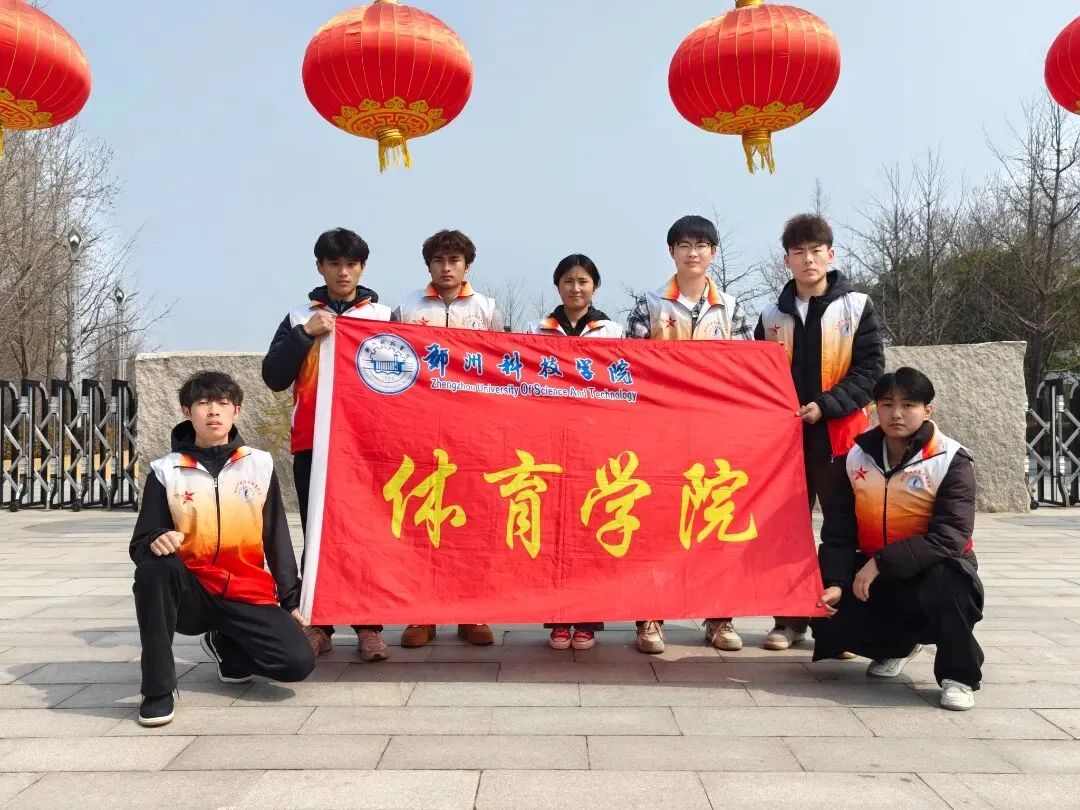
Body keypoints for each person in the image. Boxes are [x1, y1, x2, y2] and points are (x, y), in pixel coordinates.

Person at [130, 371, 315, 727]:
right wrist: (157, 539)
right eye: (203, 403)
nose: (213, 411)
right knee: (154, 569)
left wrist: (291, 598)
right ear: (187, 411)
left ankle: (227, 644)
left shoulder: (259, 465)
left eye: (222, 403)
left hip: (244, 590)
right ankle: (157, 690)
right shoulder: (166, 471)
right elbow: (141, 543)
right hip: (191, 594)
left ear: (236, 411)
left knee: (297, 663)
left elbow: (276, 535)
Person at [811, 367, 984, 711]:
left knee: (949, 580)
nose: (897, 414)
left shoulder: (950, 459)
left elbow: (950, 536)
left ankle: (959, 677)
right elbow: (839, 530)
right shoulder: (854, 459)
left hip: (938, 568)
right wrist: (836, 582)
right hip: (878, 567)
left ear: (927, 410)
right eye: (888, 404)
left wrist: (880, 562)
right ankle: (897, 647)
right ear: (876, 407)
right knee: (827, 598)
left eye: (908, 405)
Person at [261, 227, 392, 661]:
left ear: (363, 268)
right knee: (316, 532)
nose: (343, 272)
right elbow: (273, 377)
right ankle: (318, 623)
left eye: (351, 264)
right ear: (320, 267)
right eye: (334, 263)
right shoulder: (299, 317)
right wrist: (305, 336)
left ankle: (369, 625)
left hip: (367, 446)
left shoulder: (384, 316)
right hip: (313, 442)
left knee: (365, 533)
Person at [755, 213, 884, 651]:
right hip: (785, 443)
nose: (808, 260)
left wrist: (825, 406)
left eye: (816, 251)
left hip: (841, 440)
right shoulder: (771, 315)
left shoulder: (857, 306)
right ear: (786, 260)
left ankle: (840, 626)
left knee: (842, 531)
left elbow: (870, 371)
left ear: (831, 255)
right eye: (798, 252)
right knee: (786, 532)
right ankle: (788, 620)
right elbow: (758, 375)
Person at [625, 214, 752, 655]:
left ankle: (719, 616)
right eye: (684, 245)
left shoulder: (732, 308)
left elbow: (745, 373)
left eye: (701, 245)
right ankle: (650, 617)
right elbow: (631, 368)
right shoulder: (648, 305)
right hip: (660, 433)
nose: (692, 252)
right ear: (671, 252)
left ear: (713, 252)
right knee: (656, 524)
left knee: (715, 523)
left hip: (716, 435)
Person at [392, 229, 501, 648]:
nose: (446, 267)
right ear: (429, 265)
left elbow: (501, 366)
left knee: (471, 523)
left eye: (454, 260)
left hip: (472, 431)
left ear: (467, 265)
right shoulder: (407, 307)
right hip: (421, 429)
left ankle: (472, 611)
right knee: (422, 520)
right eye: (438, 260)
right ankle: (421, 613)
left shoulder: (486, 308)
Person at [526, 254, 621, 649]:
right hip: (549, 442)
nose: (576, 288)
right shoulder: (537, 330)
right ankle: (557, 620)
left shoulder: (612, 331)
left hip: (595, 441)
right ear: (558, 285)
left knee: (590, 528)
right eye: (568, 281)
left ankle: (587, 620)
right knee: (554, 531)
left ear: (594, 286)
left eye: (583, 281)